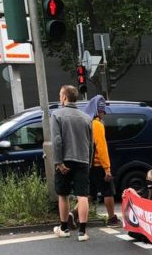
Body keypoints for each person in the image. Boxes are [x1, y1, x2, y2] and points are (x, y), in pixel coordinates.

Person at [51, 85, 93, 241]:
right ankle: (82, 232)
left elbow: (57, 141)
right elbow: (91, 143)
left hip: (65, 160)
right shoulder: (87, 118)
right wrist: (88, 163)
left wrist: (58, 162)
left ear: (64, 97)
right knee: (82, 195)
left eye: (60, 95)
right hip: (82, 159)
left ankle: (64, 228)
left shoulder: (57, 115)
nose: (59, 98)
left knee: (63, 194)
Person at [87, 95, 118, 226]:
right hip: (99, 165)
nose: (102, 114)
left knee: (89, 194)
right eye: (101, 111)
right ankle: (112, 219)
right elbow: (101, 148)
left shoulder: (86, 122)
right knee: (108, 192)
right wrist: (107, 169)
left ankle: (74, 214)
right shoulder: (97, 125)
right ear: (96, 111)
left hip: (88, 165)